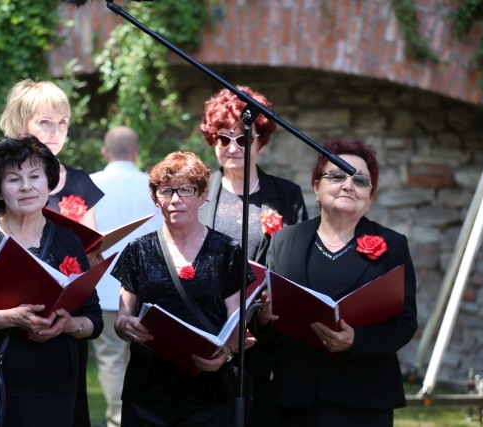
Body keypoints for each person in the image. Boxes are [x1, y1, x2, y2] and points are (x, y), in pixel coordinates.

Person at [251, 138, 418, 426]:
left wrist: (357, 341)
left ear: (370, 195)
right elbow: (263, 315)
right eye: (337, 175)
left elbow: (405, 322)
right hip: (294, 396)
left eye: (360, 180)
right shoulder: (285, 241)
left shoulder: (392, 245)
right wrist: (264, 318)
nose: (348, 184)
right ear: (316, 187)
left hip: (363, 397)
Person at [0, 135, 103, 426]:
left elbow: (93, 319)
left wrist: (69, 324)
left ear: (48, 182)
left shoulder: (69, 240)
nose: (26, 186)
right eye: (14, 179)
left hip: (55, 390)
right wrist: (11, 318)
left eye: (35, 176)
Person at [111, 151, 255, 427]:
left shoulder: (227, 251)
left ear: (202, 197)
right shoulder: (137, 250)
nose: (175, 200)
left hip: (208, 393)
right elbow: (122, 318)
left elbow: (236, 322)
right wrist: (126, 325)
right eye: (166, 191)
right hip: (148, 393)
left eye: (186, 190)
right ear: (155, 199)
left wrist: (225, 354)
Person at [198, 85, 308, 424]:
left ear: (260, 141)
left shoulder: (285, 194)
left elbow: (297, 261)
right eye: (223, 138)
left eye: (243, 139)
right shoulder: (199, 192)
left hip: (265, 335)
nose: (233, 148)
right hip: (210, 328)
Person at [89, 125, 162, 427]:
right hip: (149, 290)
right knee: (150, 359)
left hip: (105, 289)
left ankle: (119, 420)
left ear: (105, 152)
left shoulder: (90, 185)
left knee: (111, 360)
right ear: (135, 152)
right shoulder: (154, 186)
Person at [0, 78, 103, 230]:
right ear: (20, 124)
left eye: (63, 122)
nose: (57, 132)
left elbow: (92, 246)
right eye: (45, 122)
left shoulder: (80, 182)